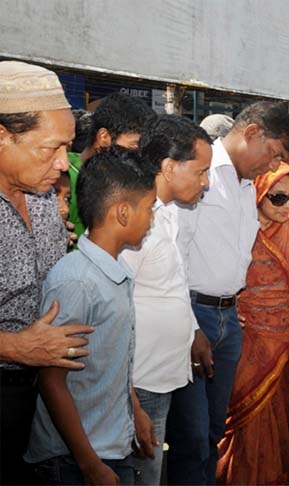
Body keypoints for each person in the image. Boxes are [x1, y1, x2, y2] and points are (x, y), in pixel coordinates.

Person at [167, 100, 289, 485]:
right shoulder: (203, 174)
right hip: (194, 315)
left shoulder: (244, 186)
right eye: (273, 154)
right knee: (191, 437)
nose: (273, 166)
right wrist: (190, 328)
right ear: (252, 133)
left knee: (211, 432)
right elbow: (174, 256)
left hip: (228, 317)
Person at [25, 148, 157, 485]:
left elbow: (111, 361)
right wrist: (88, 464)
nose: (152, 219)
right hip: (76, 459)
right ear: (123, 213)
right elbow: (52, 381)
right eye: (149, 210)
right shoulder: (77, 281)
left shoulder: (115, 271)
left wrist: (136, 412)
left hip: (110, 446)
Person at [0, 60, 94, 485]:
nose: (63, 164)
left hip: (38, 395)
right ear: (2, 137)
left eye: (68, 147)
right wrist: (16, 347)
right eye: (50, 149)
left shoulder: (41, 195)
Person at [120, 115, 213, 485]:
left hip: (169, 372)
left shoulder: (170, 213)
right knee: (143, 473)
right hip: (141, 381)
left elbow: (171, 286)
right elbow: (116, 308)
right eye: (201, 171)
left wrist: (193, 330)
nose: (205, 182)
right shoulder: (133, 219)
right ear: (169, 167)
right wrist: (131, 400)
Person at [217, 163, 289, 484]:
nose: (287, 206)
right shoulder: (238, 224)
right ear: (257, 194)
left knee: (275, 418)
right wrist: (229, 307)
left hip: (282, 338)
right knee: (243, 418)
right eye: (278, 198)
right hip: (245, 338)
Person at [68, 93, 155, 240]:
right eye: (134, 145)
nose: (139, 155)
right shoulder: (62, 179)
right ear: (104, 137)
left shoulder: (123, 181)